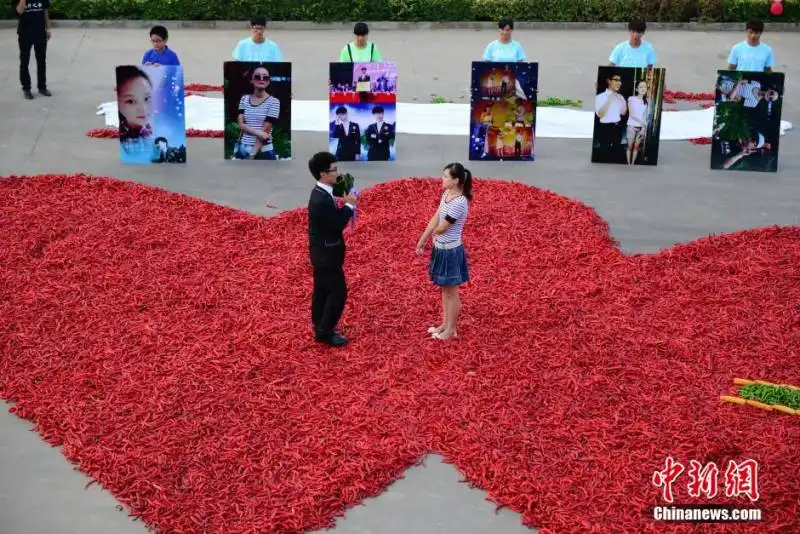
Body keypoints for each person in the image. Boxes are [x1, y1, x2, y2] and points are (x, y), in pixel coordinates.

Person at [416, 162, 473, 341]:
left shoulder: (460, 202)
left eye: (446, 176)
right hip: (441, 248)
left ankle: (451, 329)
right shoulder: (447, 194)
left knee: (451, 291)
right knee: (444, 289)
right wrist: (423, 238)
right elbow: (436, 216)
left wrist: (432, 234)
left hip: (450, 250)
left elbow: (442, 227)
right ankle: (445, 324)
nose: (442, 179)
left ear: (456, 180)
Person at [307, 152, 358, 347]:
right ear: (322, 174)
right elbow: (336, 223)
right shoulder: (320, 200)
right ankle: (325, 331)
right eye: (334, 170)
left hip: (321, 252)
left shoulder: (322, 193)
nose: (337, 173)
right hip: (327, 254)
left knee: (321, 290)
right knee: (338, 292)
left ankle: (319, 323)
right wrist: (349, 206)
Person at [234, 66, 281, 159]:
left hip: (263, 151)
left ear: (268, 81)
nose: (262, 79)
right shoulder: (244, 99)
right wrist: (259, 133)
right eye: (257, 76)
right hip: (242, 148)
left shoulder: (274, 102)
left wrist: (252, 154)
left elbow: (265, 131)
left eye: (265, 77)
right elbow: (241, 125)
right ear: (251, 80)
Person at [14, 0, 51, 100]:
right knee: (24, 61)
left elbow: (45, 11)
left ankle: (42, 87)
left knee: (41, 61)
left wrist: (48, 28)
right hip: (25, 34)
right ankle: (26, 89)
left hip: (40, 33)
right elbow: (19, 11)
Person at [593, 70, 627, 162]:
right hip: (605, 129)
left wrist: (622, 100)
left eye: (620, 81)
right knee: (604, 153)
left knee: (616, 153)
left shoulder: (620, 97)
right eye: (616, 80)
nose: (619, 83)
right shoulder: (600, 97)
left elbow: (623, 112)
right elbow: (600, 114)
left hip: (617, 128)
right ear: (609, 81)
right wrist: (610, 99)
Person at [626, 79, 649, 165]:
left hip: (641, 129)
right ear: (637, 89)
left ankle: (632, 164)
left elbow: (644, 116)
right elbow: (632, 114)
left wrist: (643, 128)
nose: (643, 88)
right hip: (631, 126)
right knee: (629, 146)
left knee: (636, 147)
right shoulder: (631, 99)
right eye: (641, 87)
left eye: (645, 87)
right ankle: (628, 164)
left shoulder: (645, 102)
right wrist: (642, 123)